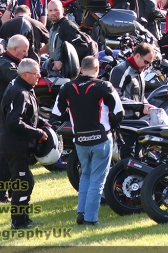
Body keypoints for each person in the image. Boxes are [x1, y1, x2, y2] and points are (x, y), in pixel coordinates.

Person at [54, 55, 124, 226]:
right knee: (97, 180)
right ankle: (91, 219)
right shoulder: (104, 86)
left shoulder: (67, 87)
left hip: (80, 140)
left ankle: (82, 212)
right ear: (97, 69)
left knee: (85, 175)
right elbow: (119, 113)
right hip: (101, 138)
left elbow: (55, 113)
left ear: (80, 69)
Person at [0, 58, 49, 229]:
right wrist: (38, 133)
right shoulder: (19, 92)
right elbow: (14, 121)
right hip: (15, 145)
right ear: (25, 74)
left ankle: (24, 219)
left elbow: (28, 113)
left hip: (18, 144)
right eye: (36, 74)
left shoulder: (25, 88)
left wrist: (41, 122)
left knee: (24, 182)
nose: (39, 76)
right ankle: (18, 223)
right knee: (24, 182)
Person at [45, 0, 96, 70]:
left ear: (63, 10)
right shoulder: (53, 26)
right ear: (47, 12)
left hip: (68, 73)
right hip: (56, 69)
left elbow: (82, 46)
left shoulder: (67, 26)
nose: (53, 13)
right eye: (50, 10)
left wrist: (63, 61)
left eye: (56, 10)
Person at [109, 43, 154, 120]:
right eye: (146, 62)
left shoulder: (140, 71)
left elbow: (139, 96)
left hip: (136, 118)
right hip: (124, 120)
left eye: (150, 63)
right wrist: (141, 106)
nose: (147, 66)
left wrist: (147, 106)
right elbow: (116, 99)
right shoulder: (120, 70)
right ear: (137, 56)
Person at [0, 35, 29, 117]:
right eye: (24, 51)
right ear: (14, 49)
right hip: (7, 110)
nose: (26, 54)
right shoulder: (5, 63)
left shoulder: (16, 60)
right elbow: (20, 78)